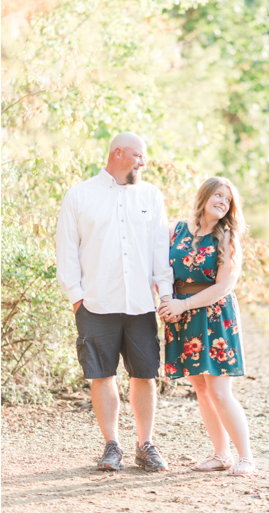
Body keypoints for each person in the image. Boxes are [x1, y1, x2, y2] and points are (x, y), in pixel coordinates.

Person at [55, 132, 174, 472]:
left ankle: (145, 444)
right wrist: (77, 299)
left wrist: (164, 296)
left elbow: (158, 253)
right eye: (138, 155)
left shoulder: (151, 196)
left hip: (141, 304)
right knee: (102, 375)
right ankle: (112, 446)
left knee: (144, 375)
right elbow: (67, 252)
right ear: (117, 153)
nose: (143, 162)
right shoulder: (80, 195)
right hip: (95, 303)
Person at [156, 176, 255, 476]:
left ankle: (247, 457)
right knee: (200, 387)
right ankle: (221, 454)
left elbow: (224, 286)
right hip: (180, 314)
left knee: (220, 390)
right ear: (204, 196)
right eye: (219, 196)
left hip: (214, 315)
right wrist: (166, 303)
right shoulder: (176, 229)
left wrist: (183, 304)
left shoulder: (228, 237)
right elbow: (159, 270)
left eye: (228, 200)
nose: (223, 202)